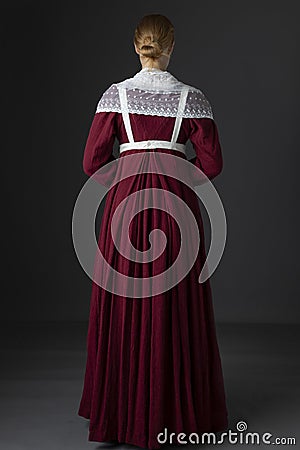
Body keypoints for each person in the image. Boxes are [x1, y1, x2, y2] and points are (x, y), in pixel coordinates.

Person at [77, 13, 228, 449]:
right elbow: (213, 164)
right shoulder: (192, 98)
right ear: (172, 46)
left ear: (136, 46)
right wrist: (176, 174)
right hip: (176, 208)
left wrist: (128, 173)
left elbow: (91, 163)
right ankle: (174, 409)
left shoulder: (115, 96)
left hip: (124, 207)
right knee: (173, 303)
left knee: (124, 300)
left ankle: (119, 415)